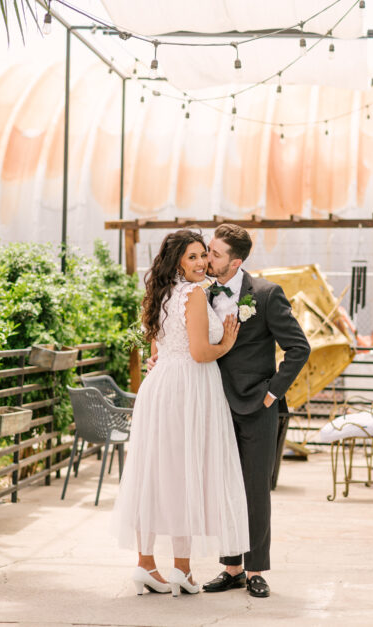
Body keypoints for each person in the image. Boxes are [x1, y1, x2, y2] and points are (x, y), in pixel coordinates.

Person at [111, 229, 249, 597]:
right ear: (176, 262)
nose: (202, 262)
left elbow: (157, 348)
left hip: (159, 387)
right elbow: (201, 353)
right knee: (184, 473)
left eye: (204, 255)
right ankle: (183, 571)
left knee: (155, 472)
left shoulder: (161, 294)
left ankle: (145, 563)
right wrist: (228, 342)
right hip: (189, 387)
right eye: (192, 257)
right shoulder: (194, 295)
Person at [200, 223, 311, 598]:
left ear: (236, 262)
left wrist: (272, 394)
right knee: (224, 488)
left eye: (215, 254)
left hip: (256, 406)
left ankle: (255, 570)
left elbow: (299, 347)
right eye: (208, 251)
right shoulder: (201, 294)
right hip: (214, 405)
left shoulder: (265, 295)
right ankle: (230, 568)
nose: (207, 258)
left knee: (254, 490)